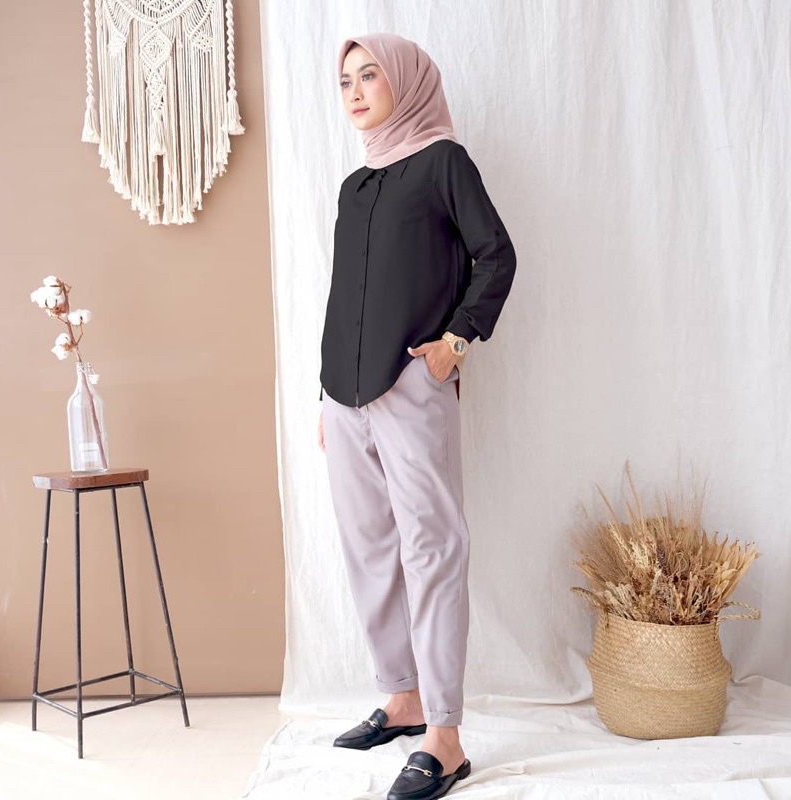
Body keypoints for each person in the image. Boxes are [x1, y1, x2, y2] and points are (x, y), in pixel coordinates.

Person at [318, 32, 516, 800]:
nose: (355, 91)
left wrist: (454, 344)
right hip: (344, 396)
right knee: (368, 548)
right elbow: (344, 294)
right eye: (345, 80)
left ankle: (446, 738)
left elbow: (496, 254)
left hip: (409, 386)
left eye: (369, 75)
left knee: (432, 549)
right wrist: (324, 393)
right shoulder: (354, 185)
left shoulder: (442, 163)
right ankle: (401, 698)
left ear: (405, 82)